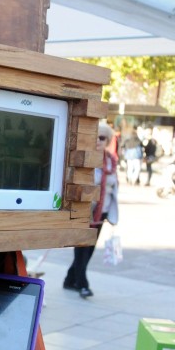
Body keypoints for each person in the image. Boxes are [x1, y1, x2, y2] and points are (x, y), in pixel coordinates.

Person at [64, 123, 118, 298]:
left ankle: (70, 279)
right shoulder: (85, 158)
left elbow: (113, 186)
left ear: (108, 140)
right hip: (85, 210)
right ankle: (82, 284)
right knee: (82, 248)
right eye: (95, 136)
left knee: (90, 249)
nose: (98, 141)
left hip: (101, 211)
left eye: (102, 138)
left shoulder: (111, 161)